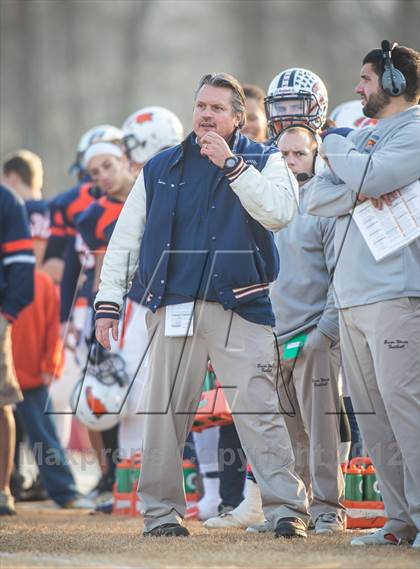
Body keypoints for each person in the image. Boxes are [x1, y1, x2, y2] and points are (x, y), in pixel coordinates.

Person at [94, 72, 310, 539]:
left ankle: (286, 510)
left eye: (217, 109)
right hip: (172, 305)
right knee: (165, 415)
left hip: (242, 307)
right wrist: (107, 301)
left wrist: (233, 165)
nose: (206, 115)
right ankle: (160, 514)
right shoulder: (160, 167)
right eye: (201, 106)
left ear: (238, 118)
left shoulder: (266, 158)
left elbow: (278, 212)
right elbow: (125, 239)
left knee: (260, 412)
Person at [306, 43, 420, 548]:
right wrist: (360, 174)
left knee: (406, 410)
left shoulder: (414, 131)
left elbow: (371, 177)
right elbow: (316, 198)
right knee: (374, 418)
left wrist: (335, 146)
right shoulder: (367, 138)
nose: (358, 88)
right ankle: (400, 522)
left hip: (396, 296)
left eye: (366, 79)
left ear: (395, 84)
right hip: (352, 298)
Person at [0, 184, 35, 515]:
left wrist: (7, 313)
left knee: (1, 403)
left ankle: (2, 490)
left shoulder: (5, 199)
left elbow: (23, 261)